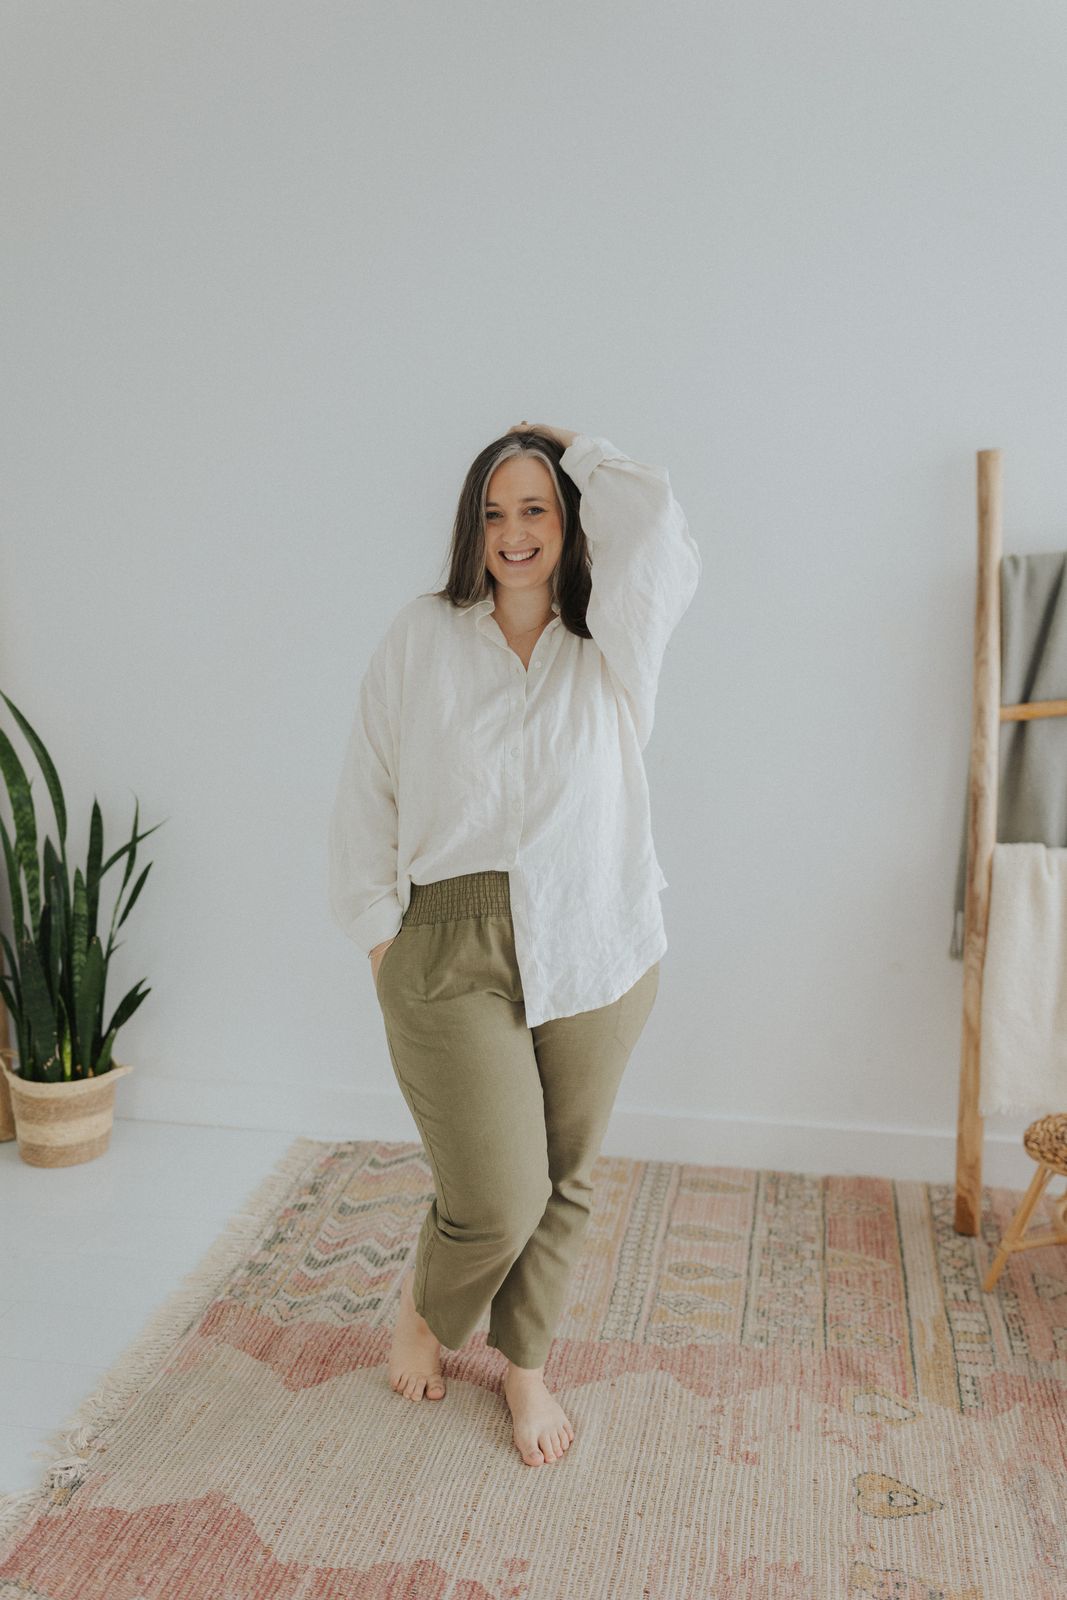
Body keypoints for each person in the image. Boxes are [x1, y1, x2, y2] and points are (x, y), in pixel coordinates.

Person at [328, 421, 701, 1466]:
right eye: (494, 511)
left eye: (535, 507)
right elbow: (367, 788)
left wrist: (570, 445)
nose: (513, 531)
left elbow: (661, 529)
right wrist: (379, 940)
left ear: (569, 519)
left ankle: (525, 1367)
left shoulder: (614, 643)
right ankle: (425, 1310)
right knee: (497, 1195)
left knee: (565, 1176)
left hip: (598, 931)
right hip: (446, 941)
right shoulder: (422, 636)